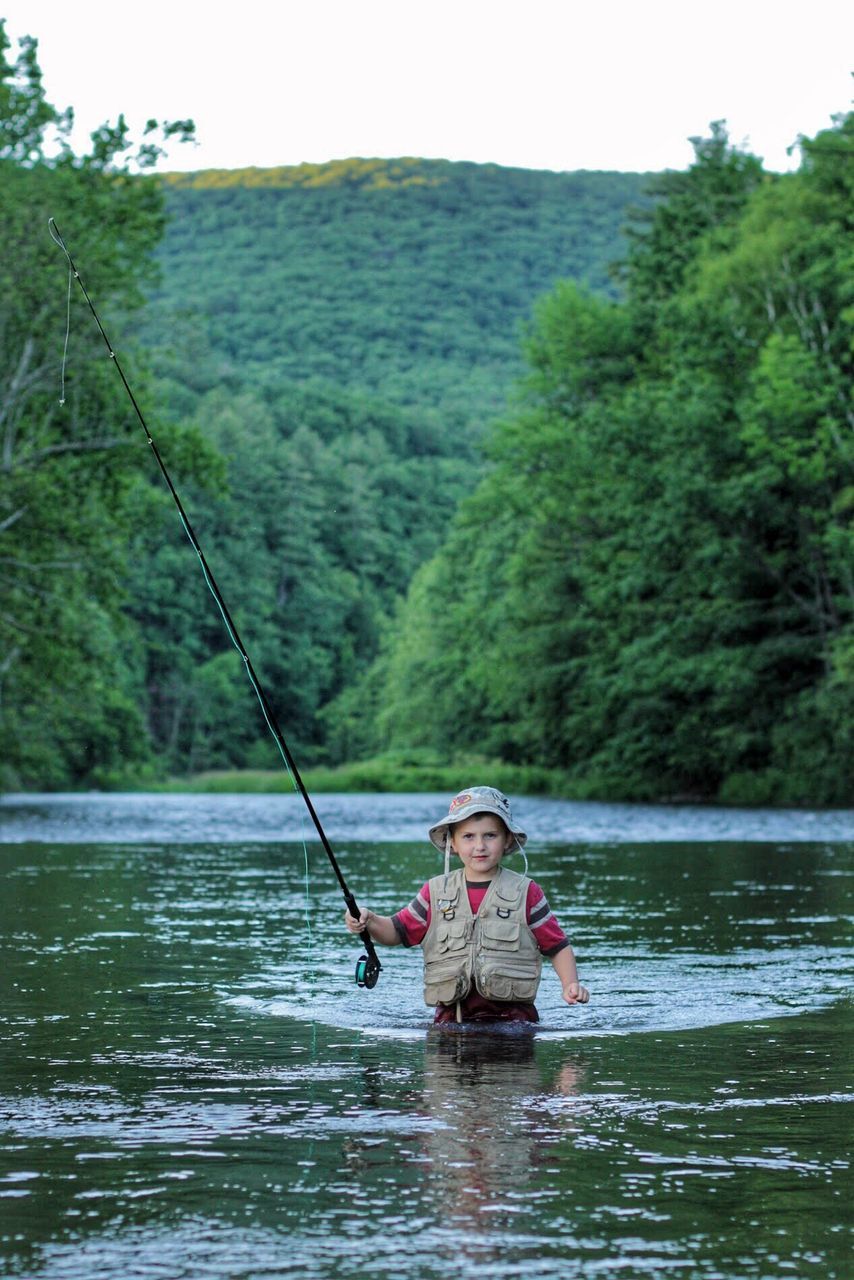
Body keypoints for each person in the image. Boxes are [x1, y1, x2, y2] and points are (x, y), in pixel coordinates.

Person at [344, 786, 589, 1024]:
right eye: (468, 836)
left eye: (490, 835)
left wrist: (570, 984)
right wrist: (370, 920)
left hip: (514, 1026)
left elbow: (557, 946)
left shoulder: (527, 893)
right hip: (451, 1024)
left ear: (506, 840)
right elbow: (397, 931)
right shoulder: (435, 892)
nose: (479, 846)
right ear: (453, 843)